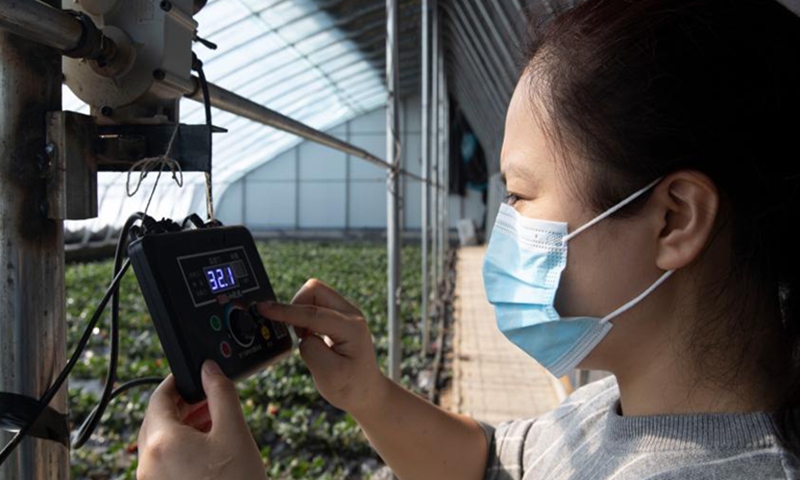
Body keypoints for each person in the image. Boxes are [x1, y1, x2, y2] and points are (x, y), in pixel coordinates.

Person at [135, 0, 800, 478]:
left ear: (675, 219)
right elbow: (497, 461)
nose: (502, 223)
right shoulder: (627, 403)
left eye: (520, 194)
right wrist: (368, 394)